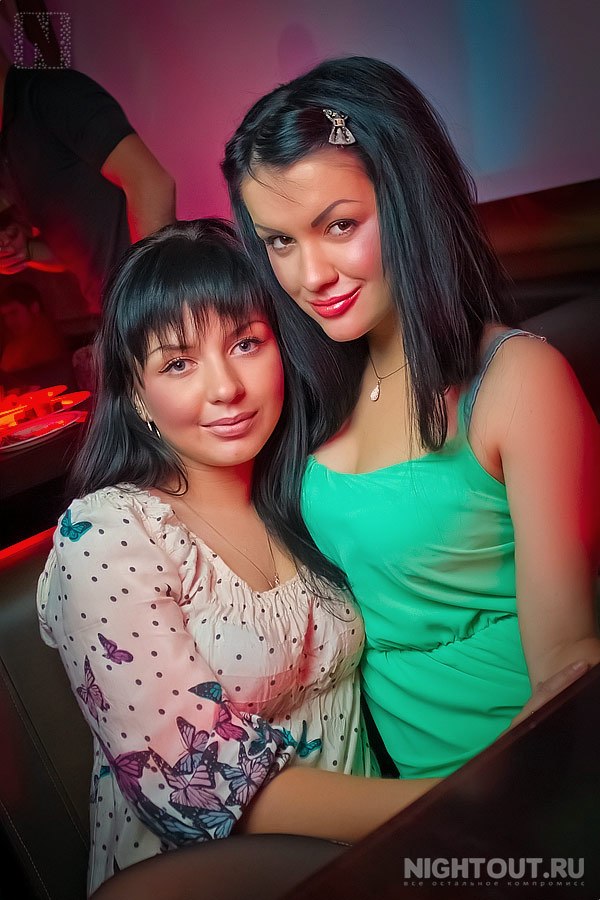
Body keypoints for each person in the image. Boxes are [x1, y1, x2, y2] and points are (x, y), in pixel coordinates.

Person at [36, 218, 448, 895]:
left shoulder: (307, 497)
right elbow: (195, 785)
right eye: (178, 363)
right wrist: (453, 802)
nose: (225, 387)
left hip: (369, 866)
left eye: (246, 343)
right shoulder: (108, 534)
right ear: (137, 393)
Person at [222, 56, 600, 780]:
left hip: (524, 775)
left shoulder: (518, 380)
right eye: (279, 242)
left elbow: (568, 661)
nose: (310, 275)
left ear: (407, 203)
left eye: (339, 225)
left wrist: (474, 814)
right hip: (389, 792)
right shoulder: (309, 386)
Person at [0, 48, 175, 314]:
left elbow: (152, 184)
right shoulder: (8, 148)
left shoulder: (50, 94)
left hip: (147, 305)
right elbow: (77, 252)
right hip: (115, 311)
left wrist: (152, 301)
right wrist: (27, 251)